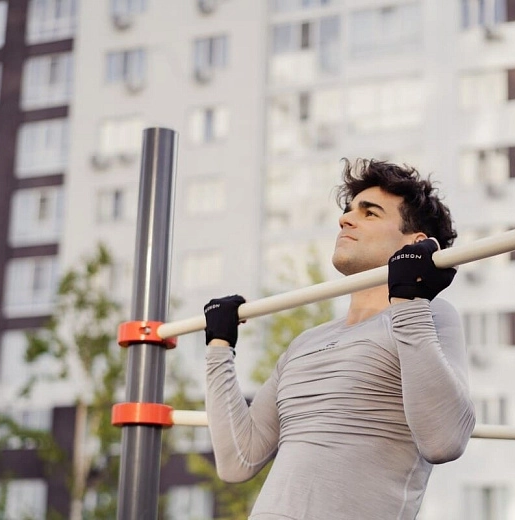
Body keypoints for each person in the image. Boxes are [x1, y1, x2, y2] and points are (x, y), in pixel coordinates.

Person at [203, 158, 475, 520]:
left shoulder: (430, 316)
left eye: (370, 212)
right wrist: (219, 346)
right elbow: (238, 460)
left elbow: (445, 441)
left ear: (416, 243)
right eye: (348, 211)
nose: (345, 220)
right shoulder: (306, 342)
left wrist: (410, 299)